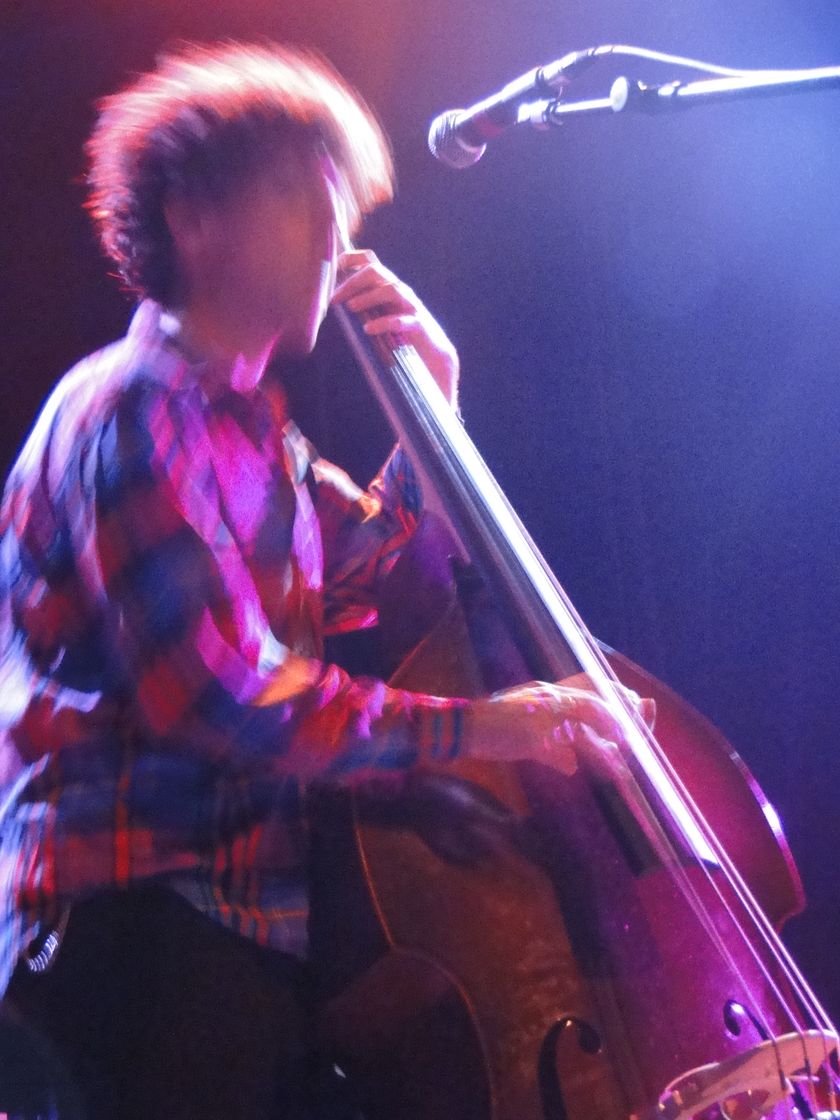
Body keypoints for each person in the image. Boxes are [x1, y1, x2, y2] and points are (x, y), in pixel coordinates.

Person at [0, 42, 635, 1119]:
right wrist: (491, 727)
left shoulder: (262, 439)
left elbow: (378, 561)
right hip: (131, 931)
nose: (338, 230)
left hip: (230, 933)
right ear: (194, 218)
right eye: (301, 194)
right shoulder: (131, 410)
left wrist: (435, 408)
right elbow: (228, 698)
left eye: (340, 201)